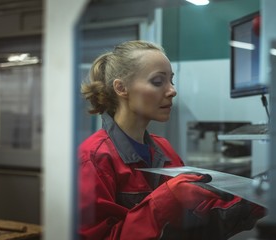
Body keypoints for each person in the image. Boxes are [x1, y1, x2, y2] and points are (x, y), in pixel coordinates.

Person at [78, 40, 265, 240]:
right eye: (158, 82)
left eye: (171, 81)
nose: (172, 91)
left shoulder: (162, 148)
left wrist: (255, 200)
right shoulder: (93, 158)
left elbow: (193, 220)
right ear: (121, 88)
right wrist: (168, 198)